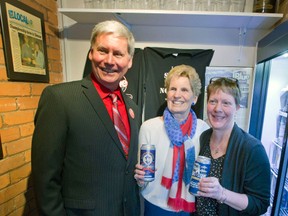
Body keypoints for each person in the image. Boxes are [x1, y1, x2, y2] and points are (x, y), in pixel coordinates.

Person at [32, 20, 140, 216]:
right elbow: (44, 178)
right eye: (102, 50)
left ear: (130, 60)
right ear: (91, 53)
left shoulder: (133, 108)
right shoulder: (60, 99)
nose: (109, 60)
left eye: (118, 54)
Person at [134, 65, 210, 215]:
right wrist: (140, 179)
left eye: (184, 90)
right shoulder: (149, 127)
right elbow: (142, 177)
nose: (177, 95)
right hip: (154, 207)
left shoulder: (204, 129)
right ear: (167, 93)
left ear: (194, 98)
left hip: (188, 208)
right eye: (173, 89)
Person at [196, 77, 270, 215]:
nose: (218, 109)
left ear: (237, 108)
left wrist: (222, 194)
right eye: (213, 101)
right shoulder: (204, 137)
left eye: (226, 103)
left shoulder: (252, 149)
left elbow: (260, 204)